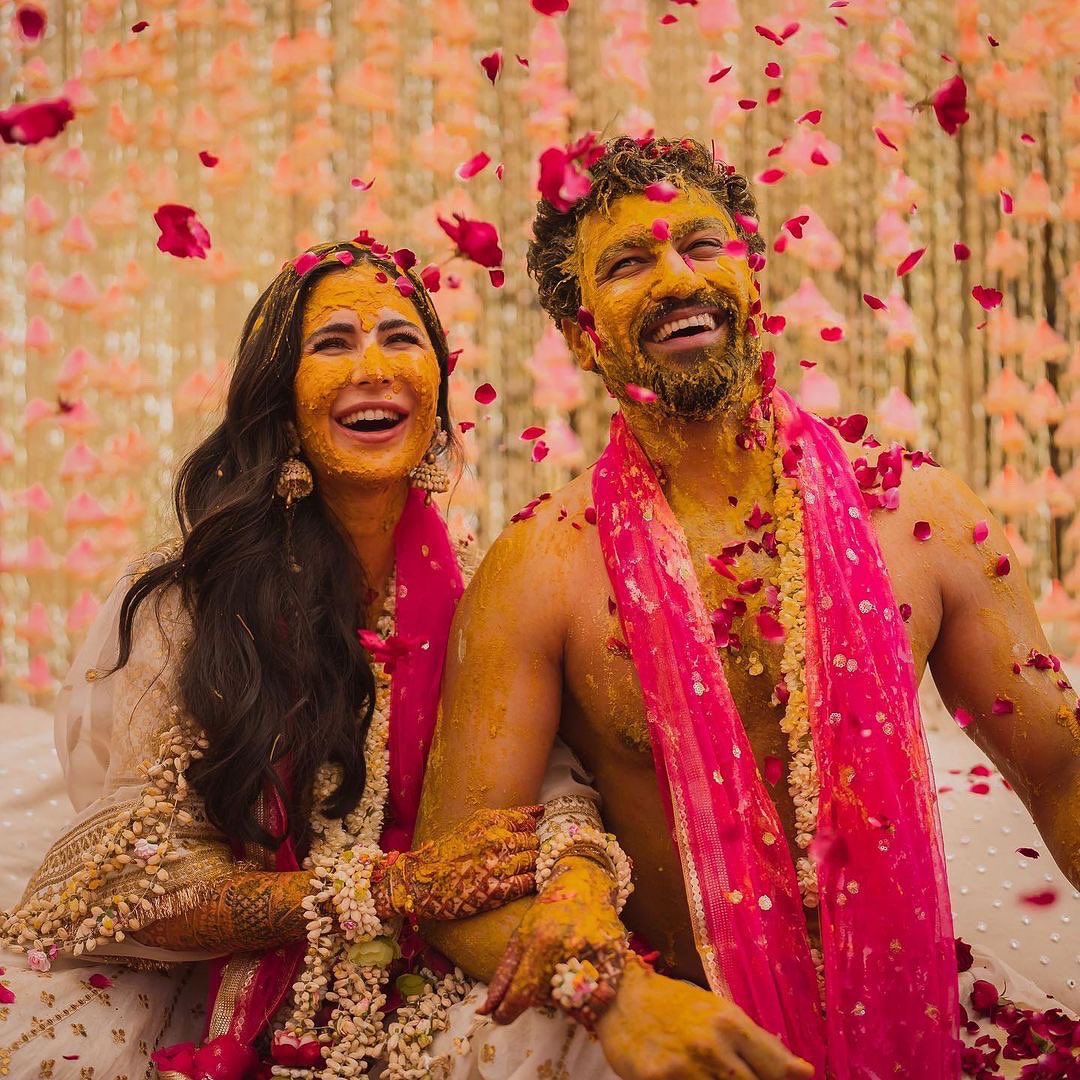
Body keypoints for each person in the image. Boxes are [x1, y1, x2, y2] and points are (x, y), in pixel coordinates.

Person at [416, 137, 1080, 1079]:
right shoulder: (540, 569)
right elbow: (453, 881)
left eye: (702, 245)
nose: (677, 278)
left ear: (753, 276)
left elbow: (1060, 770)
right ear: (579, 332)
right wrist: (619, 1000)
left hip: (913, 1018)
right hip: (679, 1040)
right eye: (628, 262)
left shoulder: (921, 517)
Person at [0, 239, 593, 1079]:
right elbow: (139, 883)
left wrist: (579, 883)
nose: (373, 366)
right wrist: (387, 889)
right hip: (216, 981)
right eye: (332, 343)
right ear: (280, 403)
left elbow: (551, 792)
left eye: (400, 337)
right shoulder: (189, 601)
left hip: (435, 977)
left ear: (435, 393)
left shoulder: (484, 598)